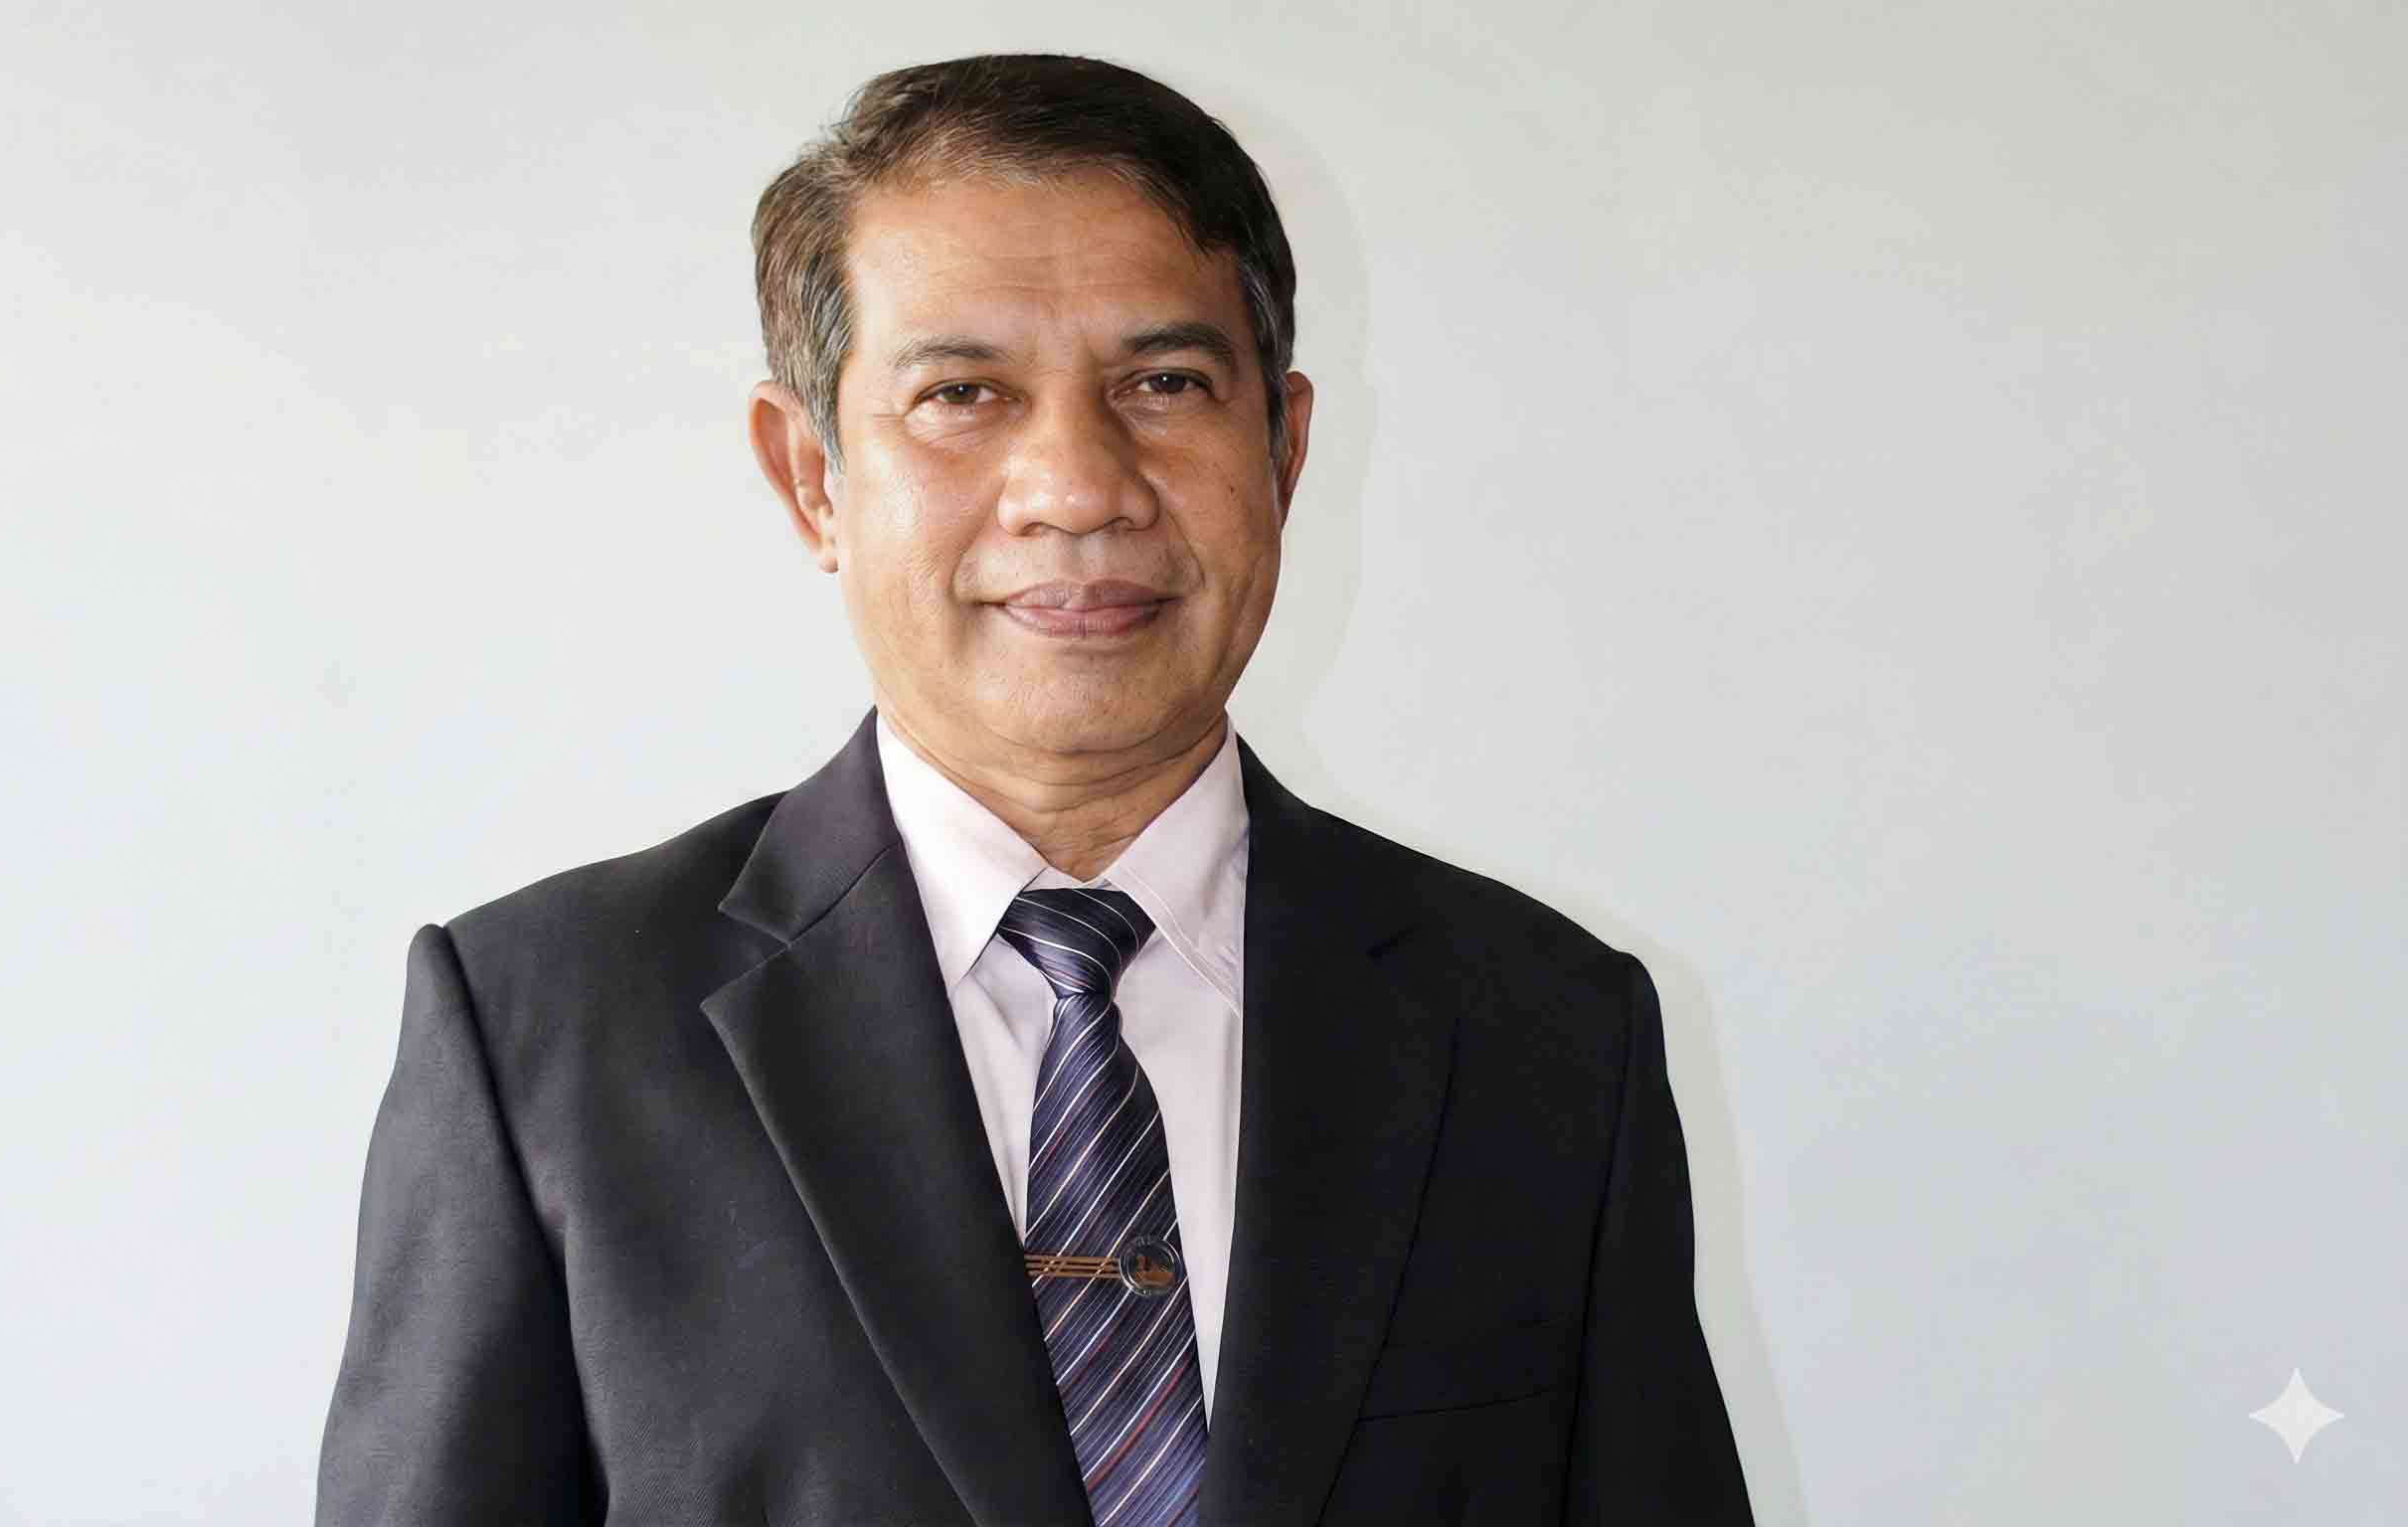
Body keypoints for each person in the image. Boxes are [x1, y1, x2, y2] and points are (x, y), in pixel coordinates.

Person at [316, 52, 1755, 1527]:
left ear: (1285, 448)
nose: (1076, 486)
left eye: (1165, 384)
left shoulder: (1547, 1033)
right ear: (811, 474)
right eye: (963, 394)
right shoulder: (543, 1033)